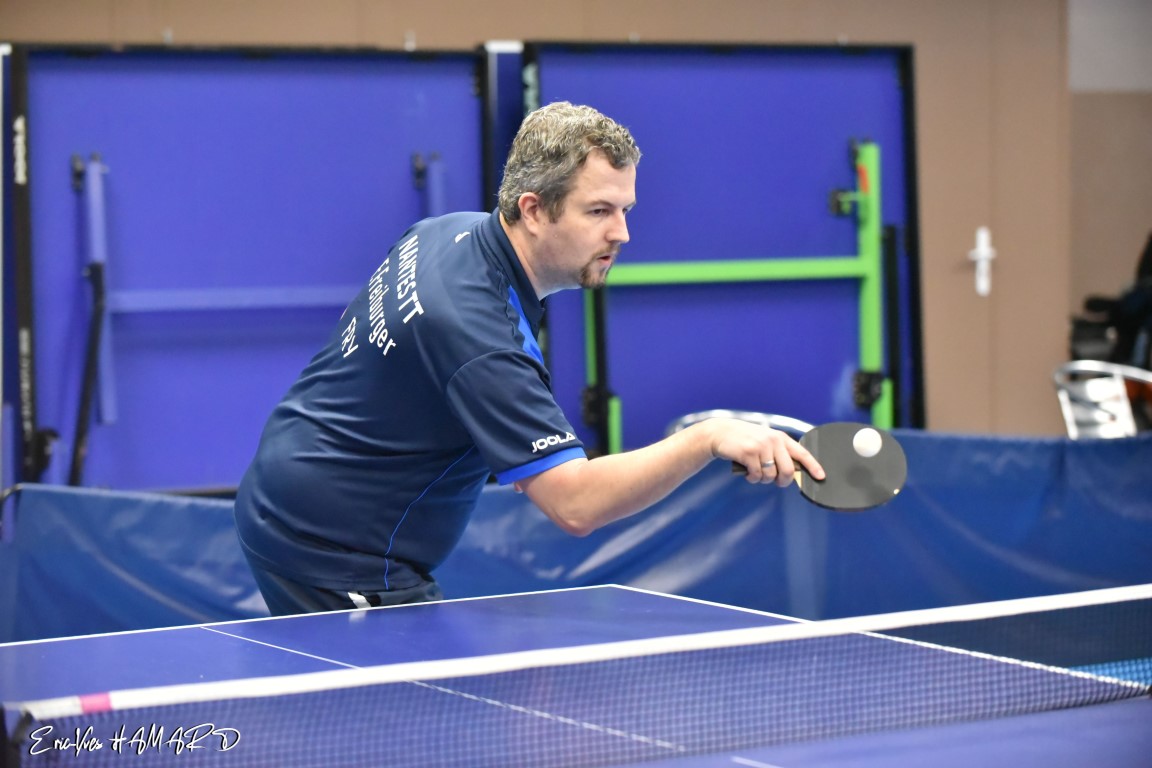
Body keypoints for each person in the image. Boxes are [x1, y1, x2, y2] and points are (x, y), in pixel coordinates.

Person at [234, 101, 825, 616]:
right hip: (335, 550)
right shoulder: (479, 332)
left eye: (626, 209)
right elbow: (576, 506)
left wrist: (513, 449)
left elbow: (409, 375)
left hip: (289, 486)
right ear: (534, 209)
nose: (622, 233)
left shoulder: (444, 234)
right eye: (599, 211)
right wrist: (707, 439)